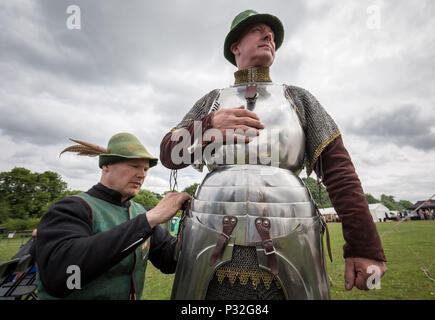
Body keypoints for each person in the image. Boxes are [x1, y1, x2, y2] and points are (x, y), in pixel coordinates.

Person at [160, 10, 387, 299]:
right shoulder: (212, 101)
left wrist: (364, 246)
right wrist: (209, 124)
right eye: (258, 30)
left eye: (272, 34)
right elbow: (169, 153)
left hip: (290, 231)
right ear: (235, 46)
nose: (269, 36)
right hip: (209, 231)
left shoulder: (298, 99)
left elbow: (340, 174)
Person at [33, 133, 191, 300]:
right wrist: (149, 220)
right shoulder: (71, 208)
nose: (142, 175)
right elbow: (60, 275)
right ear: (106, 165)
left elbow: (169, 261)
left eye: (145, 169)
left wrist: (199, 225)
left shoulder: (141, 212)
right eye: (134, 166)